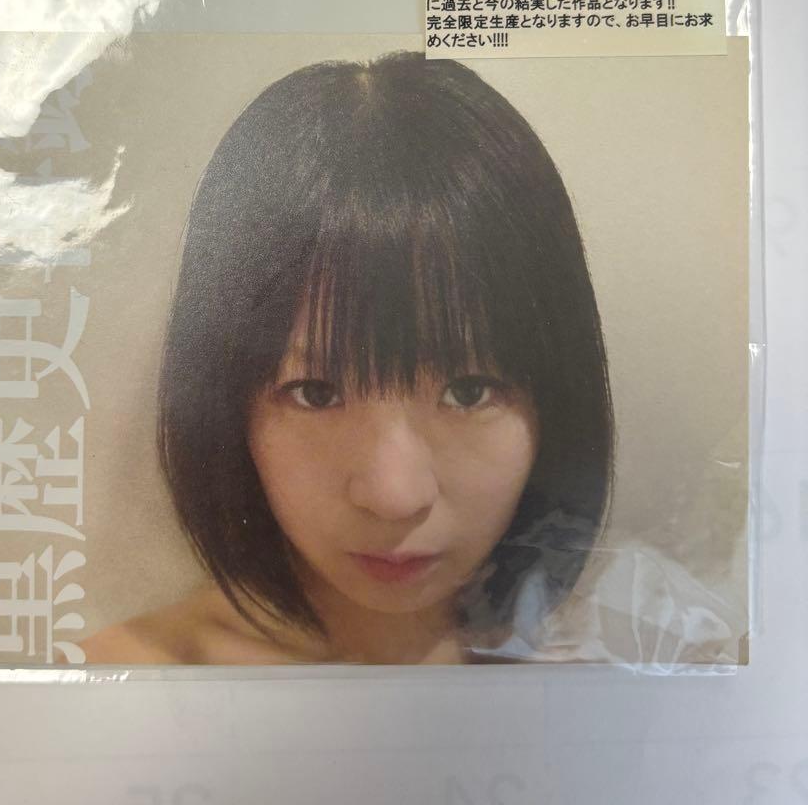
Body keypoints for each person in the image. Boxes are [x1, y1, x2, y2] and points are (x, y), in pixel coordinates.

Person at [79, 51, 614, 665]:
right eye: (316, 393)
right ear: (227, 411)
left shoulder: (641, 674)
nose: (394, 496)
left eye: (468, 391)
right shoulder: (115, 685)